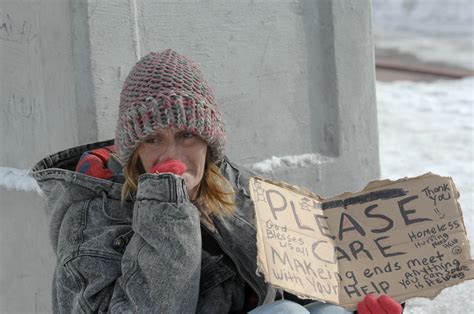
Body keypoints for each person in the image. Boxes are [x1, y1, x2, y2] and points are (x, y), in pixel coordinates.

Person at [31, 49, 403, 313]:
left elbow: (308, 280)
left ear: (210, 144)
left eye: (187, 136)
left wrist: (364, 304)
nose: (172, 155)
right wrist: (166, 206)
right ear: (133, 151)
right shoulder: (93, 217)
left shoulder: (236, 189)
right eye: (153, 139)